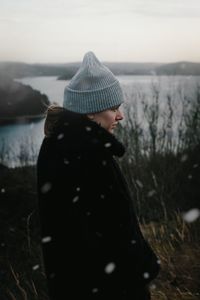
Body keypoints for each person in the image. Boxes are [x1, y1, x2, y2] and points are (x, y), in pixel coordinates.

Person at [37, 51, 160, 300]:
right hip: (106, 288)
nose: (120, 116)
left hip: (77, 285)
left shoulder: (57, 146)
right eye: (113, 108)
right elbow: (115, 235)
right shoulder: (89, 156)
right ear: (90, 112)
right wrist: (138, 275)